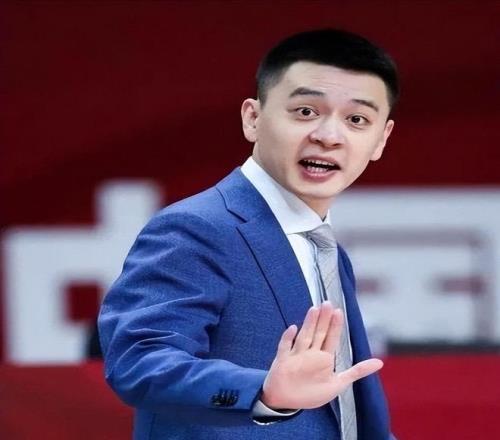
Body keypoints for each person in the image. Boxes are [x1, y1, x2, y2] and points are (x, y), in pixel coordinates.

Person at [98, 28, 399, 440]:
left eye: (357, 120)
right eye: (306, 111)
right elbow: (139, 361)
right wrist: (263, 393)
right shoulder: (198, 227)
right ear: (253, 118)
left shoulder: (325, 248)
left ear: (381, 140)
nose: (329, 136)